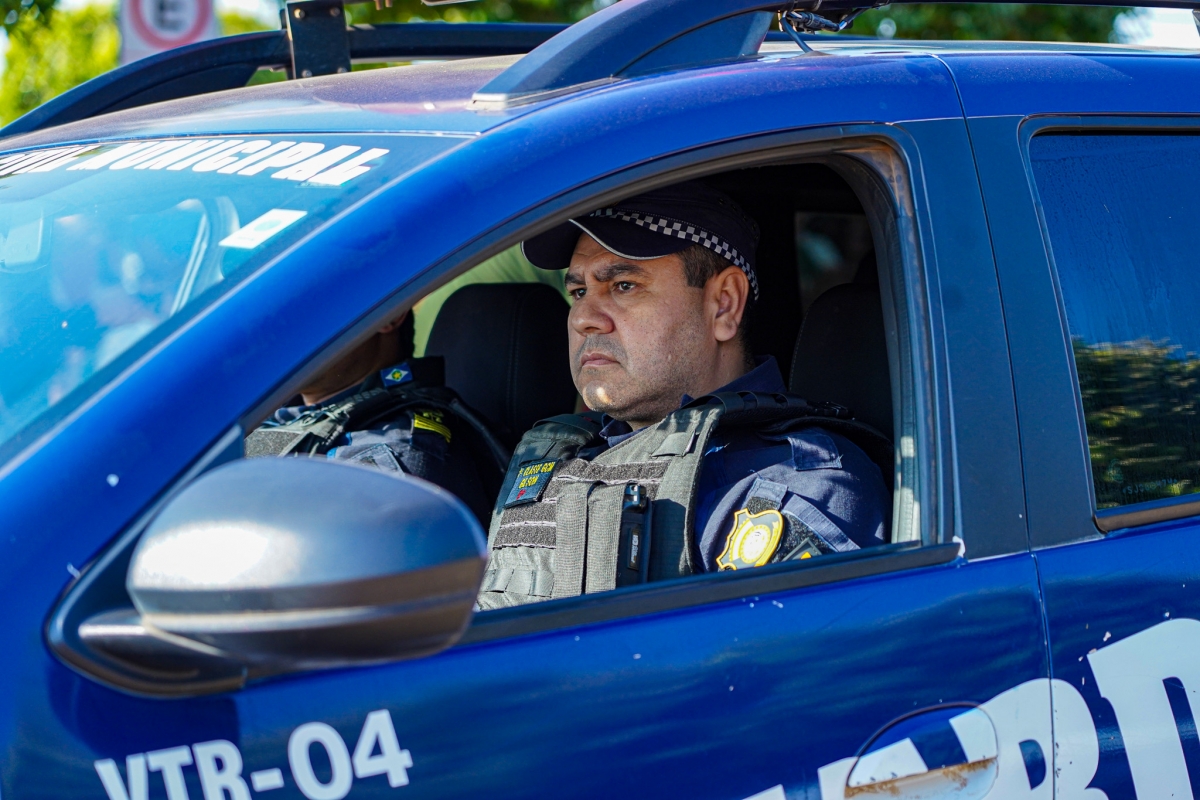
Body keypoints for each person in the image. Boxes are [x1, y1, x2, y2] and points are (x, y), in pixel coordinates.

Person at [476, 181, 890, 609]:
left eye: (623, 286)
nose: (583, 318)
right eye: (579, 291)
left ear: (723, 305)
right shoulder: (568, 456)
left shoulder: (790, 483)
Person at [245, 311, 507, 526]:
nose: (280, 329)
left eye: (306, 308)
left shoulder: (397, 448)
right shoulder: (270, 415)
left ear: (388, 317)